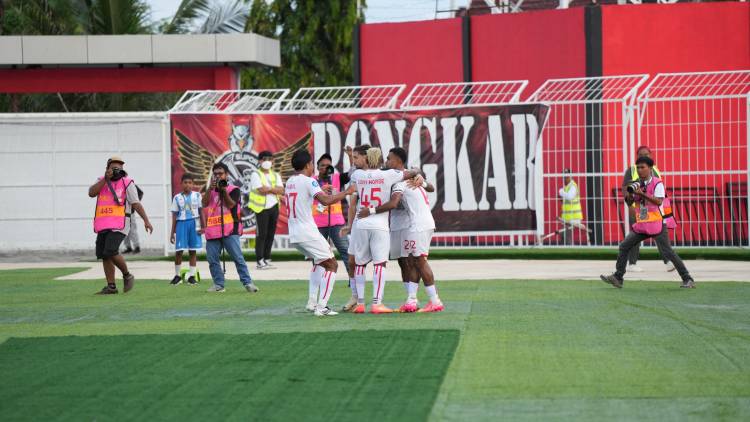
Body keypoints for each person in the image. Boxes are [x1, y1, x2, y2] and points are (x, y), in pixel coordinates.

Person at [601, 156, 695, 289]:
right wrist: (629, 196)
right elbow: (630, 203)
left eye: (642, 167)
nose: (639, 170)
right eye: (638, 167)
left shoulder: (658, 183)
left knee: (668, 252)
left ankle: (688, 279)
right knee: (624, 246)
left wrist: (642, 193)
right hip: (643, 224)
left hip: (657, 224)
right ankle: (618, 277)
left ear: (650, 168)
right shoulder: (637, 183)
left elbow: (658, 201)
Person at [285, 149, 355, 316]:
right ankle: (322, 307)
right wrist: (346, 192)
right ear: (308, 165)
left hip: (295, 233)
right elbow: (325, 200)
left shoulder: (290, 181)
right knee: (332, 264)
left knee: (320, 262)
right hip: (307, 231)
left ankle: (312, 302)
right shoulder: (309, 181)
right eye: (312, 165)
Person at [351, 148, 420, 314]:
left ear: (367, 159)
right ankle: (377, 303)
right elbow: (411, 173)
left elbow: (352, 174)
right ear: (380, 160)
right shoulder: (388, 175)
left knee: (359, 264)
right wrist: (417, 172)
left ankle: (360, 303)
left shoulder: (357, 175)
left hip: (361, 223)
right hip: (379, 225)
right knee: (379, 264)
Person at [385, 147, 443, 313]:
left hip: (417, 224)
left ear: (397, 161)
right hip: (419, 223)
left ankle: (435, 300)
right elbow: (428, 186)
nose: (387, 162)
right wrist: (421, 179)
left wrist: (372, 210)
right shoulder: (409, 176)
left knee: (419, 261)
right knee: (410, 261)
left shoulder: (401, 180)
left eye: (389, 159)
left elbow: (393, 203)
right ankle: (411, 300)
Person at [88, 156, 153, 294]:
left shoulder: (127, 183)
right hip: (103, 222)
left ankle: (127, 275)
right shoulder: (101, 180)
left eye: (119, 168)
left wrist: (146, 220)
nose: (117, 170)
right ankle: (111, 286)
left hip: (120, 223)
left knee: (110, 250)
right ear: (107, 169)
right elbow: (91, 193)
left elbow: (135, 203)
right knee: (104, 255)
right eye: (113, 168)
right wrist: (105, 179)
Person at [202, 163, 259, 293]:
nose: (217, 176)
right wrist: (210, 190)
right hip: (213, 229)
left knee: (237, 257)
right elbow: (204, 203)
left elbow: (231, 204)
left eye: (220, 173)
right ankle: (218, 284)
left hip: (230, 228)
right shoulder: (210, 190)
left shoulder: (234, 189)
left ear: (226, 175)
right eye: (215, 174)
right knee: (212, 258)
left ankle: (247, 283)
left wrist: (223, 191)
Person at [622, 146, 674, 272]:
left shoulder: (654, 169)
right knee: (637, 235)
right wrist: (630, 207)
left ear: (651, 155)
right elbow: (625, 189)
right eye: (640, 154)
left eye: (646, 154)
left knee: (659, 234)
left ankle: (668, 261)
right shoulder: (632, 170)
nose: (643, 156)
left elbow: (659, 189)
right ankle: (632, 264)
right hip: (640, 208)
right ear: (636, 156)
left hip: (654, 208)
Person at [313, 153, 356, 308]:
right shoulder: (312, 181)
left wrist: (351, 156)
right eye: (323, 165)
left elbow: (353, 172)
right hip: (319, 223)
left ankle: (353, 283)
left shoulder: (337, 178)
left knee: (346, 251)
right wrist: (322, 190)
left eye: (328, 165)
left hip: (336, 222)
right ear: (317, 167)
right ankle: (319, 283)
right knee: (318, 256)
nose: (326, 168)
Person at [340, 144, 371, 312]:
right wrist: (350, 225)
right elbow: (352, 203)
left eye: (356, 157)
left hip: (377, 223)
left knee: (402, 262)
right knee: (353, 261)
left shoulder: (378, 173)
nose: (354, 160)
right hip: (359, 223)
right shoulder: (356, 174)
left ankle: (412, 296)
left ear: (366, 157)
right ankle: (356, 297)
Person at [248, 150, 284, 270]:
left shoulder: (275, 175)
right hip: (261, 208)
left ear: (273, 161)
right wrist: (273, 189)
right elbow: (260, 190)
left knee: (270, 234)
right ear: (259, 161)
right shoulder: (255, 174)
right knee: (261, 234)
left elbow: (281, 190)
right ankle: (259, 260)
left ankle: (267, 259)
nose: (267, 161)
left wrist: (268, 189)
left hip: (274, 206)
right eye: (264, 159)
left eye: (269, 159)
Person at [170, 173, 202, 286]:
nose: (187, 185)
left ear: (193, 184)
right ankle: (177, 275)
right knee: (179, 251)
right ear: (181, 184)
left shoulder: (197, 195)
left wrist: (202, 227)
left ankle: (192, 276)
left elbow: (201, 211)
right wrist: (172, 232)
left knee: (192, 251)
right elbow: (174, 215)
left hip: (194, 224)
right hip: (181, 225)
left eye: (190, 182)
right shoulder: (177, 197)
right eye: (185, 182)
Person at [558, 168, 583, 245]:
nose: (565, 178)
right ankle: (563, 250)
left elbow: (570, 196)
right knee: (563, 234)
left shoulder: (573, 186)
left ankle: (570, 250)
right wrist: (561, 199)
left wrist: (561, 192)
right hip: (568, 217)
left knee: (567, 236)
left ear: (571, 176)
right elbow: (567, 202)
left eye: (567, 176)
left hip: (573, 217)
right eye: (564, 176)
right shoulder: (567, 187)